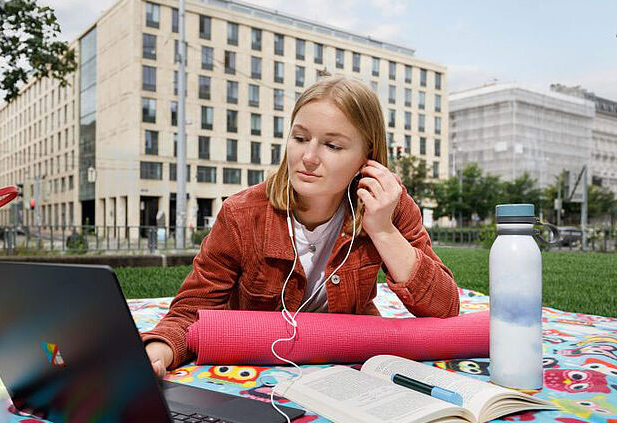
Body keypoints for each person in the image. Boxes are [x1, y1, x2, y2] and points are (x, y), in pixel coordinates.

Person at [142, 76, 460, 378]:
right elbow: (191, 311)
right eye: (300, 138)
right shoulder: (241, 214)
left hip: (347, 364)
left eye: (332, 146)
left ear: (368, 157)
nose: (307, 157)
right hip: (260, 365)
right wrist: (158, 352)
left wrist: (383, 230)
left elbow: (445, 309)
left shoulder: (388, 203)